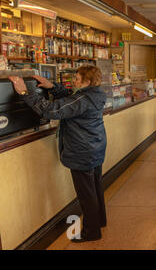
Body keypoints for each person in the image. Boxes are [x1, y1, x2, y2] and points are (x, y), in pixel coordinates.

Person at [9, 65, 107, 243]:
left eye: (77, 79)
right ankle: (99, 221)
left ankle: (91, 232)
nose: (74, 82)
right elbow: (71, 97)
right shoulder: (96, 93)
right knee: (95, 187)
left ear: (87, 81)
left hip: (81, 150)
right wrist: (52, 86)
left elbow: (51, 110)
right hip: (95, 147)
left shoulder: (83, 99)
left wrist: (25, 93)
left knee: (86, 194)